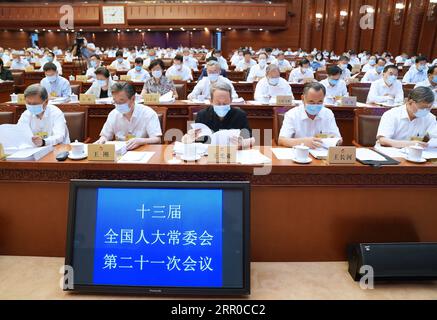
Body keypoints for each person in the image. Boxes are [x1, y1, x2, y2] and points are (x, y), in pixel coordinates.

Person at [183, 81, 254, 149]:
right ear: (211, 101)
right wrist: (189, 138)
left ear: (231, 100)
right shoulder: (202, 115)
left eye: (225, 103)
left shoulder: (240, 115)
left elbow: (252, 139)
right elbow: (189, 140)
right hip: (208, 156)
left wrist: (243, 143)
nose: (222, 106)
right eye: (218, 103)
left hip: (233, 155)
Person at [96, 82, 162, 150]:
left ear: (133, 99)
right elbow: (105, 136)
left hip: (143, 151)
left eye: (121, 101)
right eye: (115, 101)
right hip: (120, 153)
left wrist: (141, 141)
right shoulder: (113, 114)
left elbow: (157, 139)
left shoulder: (148, 113)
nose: (118, 105)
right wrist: (102, 139)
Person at [278, 82, 342, 149]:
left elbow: (338, 139)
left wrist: (337, 141)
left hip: (322, 154)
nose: (315, 105)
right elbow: (282, 140)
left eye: (319, 102)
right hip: (299, 155)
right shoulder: (292, 114)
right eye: (311, 102)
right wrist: (303, 142)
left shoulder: (328, 113)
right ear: (303, 98)